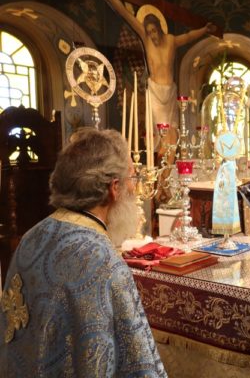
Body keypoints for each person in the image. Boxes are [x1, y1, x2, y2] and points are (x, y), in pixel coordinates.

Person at [0, 128, 166, 377]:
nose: (134, 188)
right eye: (131, 178)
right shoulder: (104, 261)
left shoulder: (31, 237)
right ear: (114, 188)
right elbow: (141, 365)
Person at [89, 0, 215, 133]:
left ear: (159, 27)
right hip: (155, 91)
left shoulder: (171, 40)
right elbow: (122, 11)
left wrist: (204, 30)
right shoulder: (145, 38)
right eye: (149, 32)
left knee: (173, 132)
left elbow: (188, 36)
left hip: (170, 91)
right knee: (156, 134)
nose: (152, 36)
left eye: (154, 31)